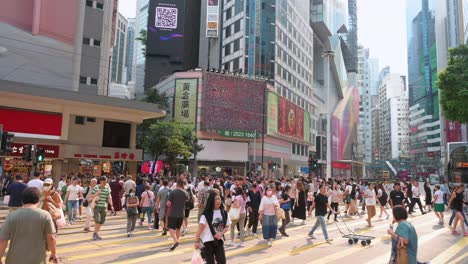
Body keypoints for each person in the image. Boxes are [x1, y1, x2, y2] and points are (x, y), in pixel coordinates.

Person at [0, 187, 58, 263]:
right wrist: (54, 254)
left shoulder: (11, 215)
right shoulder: (45, 215)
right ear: (38, 200)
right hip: (37, 260)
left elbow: (3, 240)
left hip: (14, 259)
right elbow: (51, 238)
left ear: (22, 200)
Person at [194, 191, 230, 264]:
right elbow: (200, 229)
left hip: (219, 241)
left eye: (219, 199)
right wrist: (196, 241)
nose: (218, 201)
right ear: (211, 201)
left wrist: (221, 233)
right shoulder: (205, 214)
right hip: (207, 242)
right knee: (210, 262)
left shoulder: (224, 213)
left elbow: (227, 226)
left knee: (222, 261)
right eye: (215, 199)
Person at [166, 179, 188, 250]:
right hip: (181, 213)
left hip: (173, 213)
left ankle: (176, 241)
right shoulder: (185, 193)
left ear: (177, 184)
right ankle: (177, 241)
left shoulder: (173, 192)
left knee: (170, 228)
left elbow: (168, 203)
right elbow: (187, 200)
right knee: (178, 228)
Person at [90, 176, 114, 240]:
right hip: (97, 207)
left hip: (104, 207)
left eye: (106, 182)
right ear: (100, 182)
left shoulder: (107, 188)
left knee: (101, 221)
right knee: (97, 220)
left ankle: (96, 233)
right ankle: (95, 234)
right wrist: (97, 194)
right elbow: (91, 196)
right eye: (103, 182)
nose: (105, 183)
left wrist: (111, 205)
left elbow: (109, 197)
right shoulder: (96, 187)